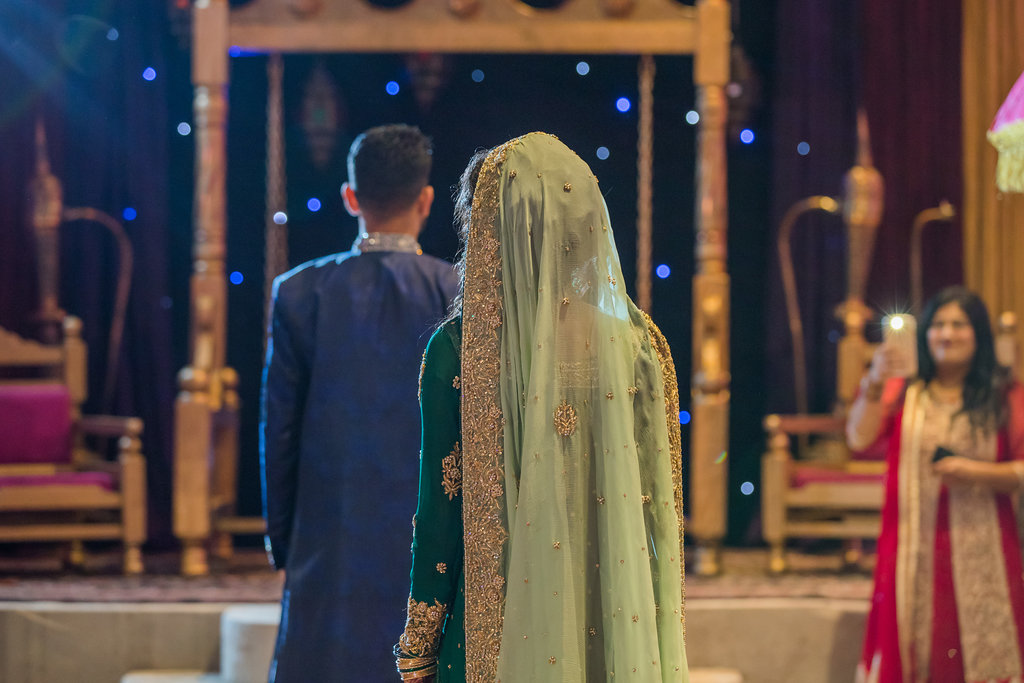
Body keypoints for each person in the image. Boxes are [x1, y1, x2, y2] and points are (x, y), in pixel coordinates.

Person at [393, 132, 689, 682]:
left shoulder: (460, 348)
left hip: (491, 637)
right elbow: (658, 515)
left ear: (487, 228)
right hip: (612, 618)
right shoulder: (640, 346)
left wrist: (418, 649)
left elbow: (441, 506)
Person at [261, 124, 459, 682]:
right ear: (425, 199)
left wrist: (284, 540)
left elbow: (279, 431)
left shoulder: (298, 292)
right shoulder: (457, 292)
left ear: (351, 198)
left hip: (330, 527)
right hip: (434, 528)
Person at [849, 286, 1024, 683]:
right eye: (938, 325)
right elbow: (859, 438)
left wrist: (974, 472)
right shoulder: (904, 392)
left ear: (978, 334)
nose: (947, 334)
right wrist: (874, 381)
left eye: (959, 325)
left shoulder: (1003, 395)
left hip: (987, 545)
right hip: (911, 546)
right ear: (925, 334)